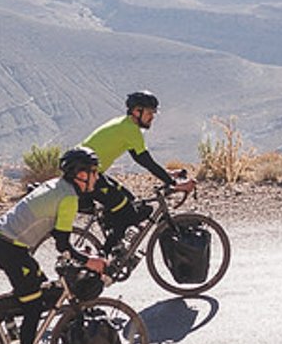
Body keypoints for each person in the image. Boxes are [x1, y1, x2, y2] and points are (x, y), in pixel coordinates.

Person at [0, 146, 107, 344]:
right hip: (12, 249)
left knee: (45, 293)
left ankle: (0, 318)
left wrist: (78, 255)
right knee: (33, 306)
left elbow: (59, 235)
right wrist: (89, 261)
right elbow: (63, 244)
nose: (97, 177)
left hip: (7, 244)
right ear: (80, 175)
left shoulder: (59, 185)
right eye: (93, 172)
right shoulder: (69, 198)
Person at [79, 90, 195, 246]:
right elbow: (146, 161)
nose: (152, 117)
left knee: (131, 201)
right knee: (130, 213)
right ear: (136, 111)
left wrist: (167, 174)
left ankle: (114, 239)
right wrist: (175, 184)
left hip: (91, 173)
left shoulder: (125, 125)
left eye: (153, 113)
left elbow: (139, 158)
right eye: (149, 113)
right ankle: (105, 259)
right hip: (86, 177)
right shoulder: (130, 130)